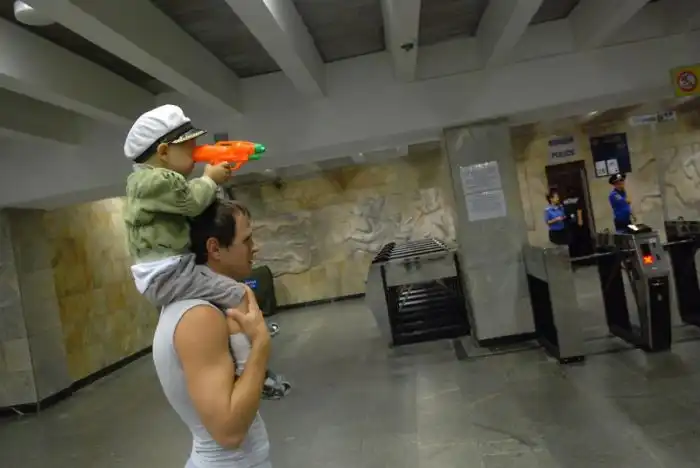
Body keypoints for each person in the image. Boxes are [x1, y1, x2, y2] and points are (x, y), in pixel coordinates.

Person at [122, 104, 290, 399]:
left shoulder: (148, 183)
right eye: (189, 147)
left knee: (226, 299)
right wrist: (210, 179)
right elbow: (191, 202)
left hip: (169, 270)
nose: (197, 151)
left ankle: (243, 345)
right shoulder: (158, 181)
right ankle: (251, 370)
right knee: (238, 294)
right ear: (163, 152)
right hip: (169, 272)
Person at [152, 199, 272, 468]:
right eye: (246, 240)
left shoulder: (208, 307)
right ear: (215, 248)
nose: (255, 247)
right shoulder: (199, 317)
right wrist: (261, 345)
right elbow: (229, 432)